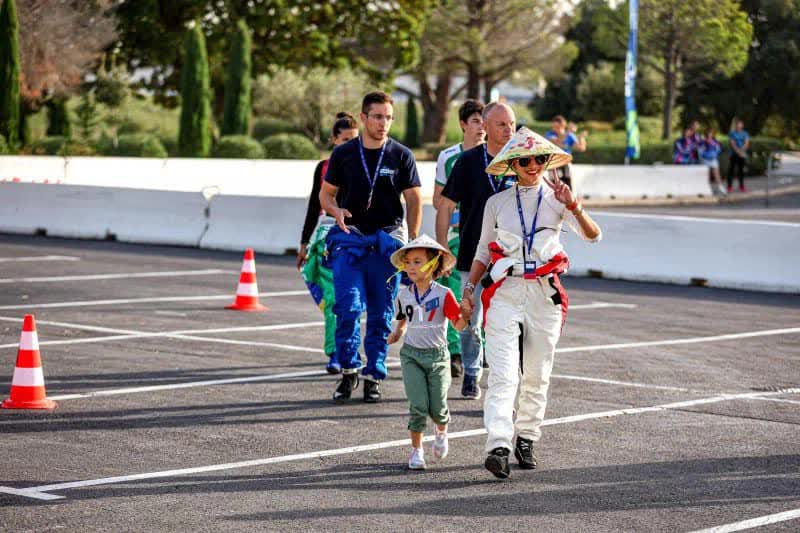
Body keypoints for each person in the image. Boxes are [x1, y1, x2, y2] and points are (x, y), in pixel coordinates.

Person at [460, 127, 601, 478]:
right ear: (512, 165)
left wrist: (574, 206)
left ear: (546, 161)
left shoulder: (558, 198)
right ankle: (498, 445)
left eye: (539, 159)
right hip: (505, 291)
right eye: (524, 160)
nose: (532, 165)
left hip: (544, 293)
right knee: (504, 374)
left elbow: (593, 235)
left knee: (537, 372)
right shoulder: (497, 204)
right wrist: (469, 290)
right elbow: (481, 251)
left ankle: (527, 437)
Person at [319, 91, 422, 403]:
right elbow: (326, 195)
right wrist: (335, 211)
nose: (384, 123)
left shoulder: (401, 155)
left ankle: (373, 375)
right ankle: (349, 370)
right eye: (377, 116)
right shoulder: (345, 154)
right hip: (350, 240)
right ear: (363, 118)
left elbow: (415, 198)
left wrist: (413, 240)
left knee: (380, 313)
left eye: (389, 117)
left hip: (387, 242)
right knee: (347, 308)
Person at [436, 102, 517, 400]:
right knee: (471, 319)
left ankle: (503, 376)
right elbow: (444, 205)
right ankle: (472, 371)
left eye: (511, 124)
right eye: (502, 125)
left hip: (512, 257)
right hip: (472, 254)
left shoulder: (522, 162)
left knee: (507, 320)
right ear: (486, 125)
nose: (508, 130)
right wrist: (443, 247)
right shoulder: (468, 162)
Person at [387, 235, 471, 470]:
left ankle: (442, 432)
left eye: (416, 261)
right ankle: (416, 452)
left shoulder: (444, 294)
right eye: (408, 262)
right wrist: (397, 332)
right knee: (418, 406)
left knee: (438, 407)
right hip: (411, 355)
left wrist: (466, 314)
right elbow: (404, 316)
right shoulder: (404, 293)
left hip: (438, 357)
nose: (410, 267)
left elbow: (458, 325)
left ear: (432, 264)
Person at [299, 113, 359, 373]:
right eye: (345, 140)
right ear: (334, 140)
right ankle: (336, 352)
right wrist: (303, 243)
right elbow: (315, 205)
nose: (350, 145)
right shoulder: (324, 168)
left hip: (355, 238)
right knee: (333, 299)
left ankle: (346, 351)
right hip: (326, 240)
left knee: (351, 300)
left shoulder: (363, 164)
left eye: (354, 140)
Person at [432, 99, 485, 378]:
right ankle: (455, 353)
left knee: (485, 297)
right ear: (463, 124)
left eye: (483, 121)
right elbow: (438, 201)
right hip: (457, 236)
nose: (481, 127)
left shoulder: (497, 156)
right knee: (456, 291)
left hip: (489, 238)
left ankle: (480, 349)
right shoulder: (449, 157)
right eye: (475, 121)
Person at [545, 116, 585, 190]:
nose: (554, 129)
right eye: (553, 127)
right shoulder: (550, 134)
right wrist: (569, 131)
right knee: (553, 184)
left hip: (565, 162)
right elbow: (556, 141)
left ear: (563, 126)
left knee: (568, 183)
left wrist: (581, 138)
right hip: (553, 162)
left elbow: (580, 148)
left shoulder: (569, 135)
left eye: (557, 127)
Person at [698, 128, 726, 196]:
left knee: (716, 174)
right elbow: (700, 151)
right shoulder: (702, 142)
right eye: (708, 133)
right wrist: (703, 155)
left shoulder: (715, 142)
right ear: (705, 134)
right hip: (705, 160)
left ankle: (721, 188)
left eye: (710, 133)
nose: (709, 135)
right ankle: (706, 189)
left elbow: (718, 150)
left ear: (712, 134)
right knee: (705, 175)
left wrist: (713, 154)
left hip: (713, 159)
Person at [728, 118, 750, 193]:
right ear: (736, 125)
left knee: (741, 171)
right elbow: (732, 143)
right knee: (731, 170)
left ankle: (741, 186)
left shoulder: (745, 133)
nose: (739, 126)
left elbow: (746, 143)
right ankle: (729, 186)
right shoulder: (732, 133)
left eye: (740, 124)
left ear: (742, 125)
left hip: (742, 154)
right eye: (738, 124)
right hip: (734, 154)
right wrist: (738, 151)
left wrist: (741, 151)